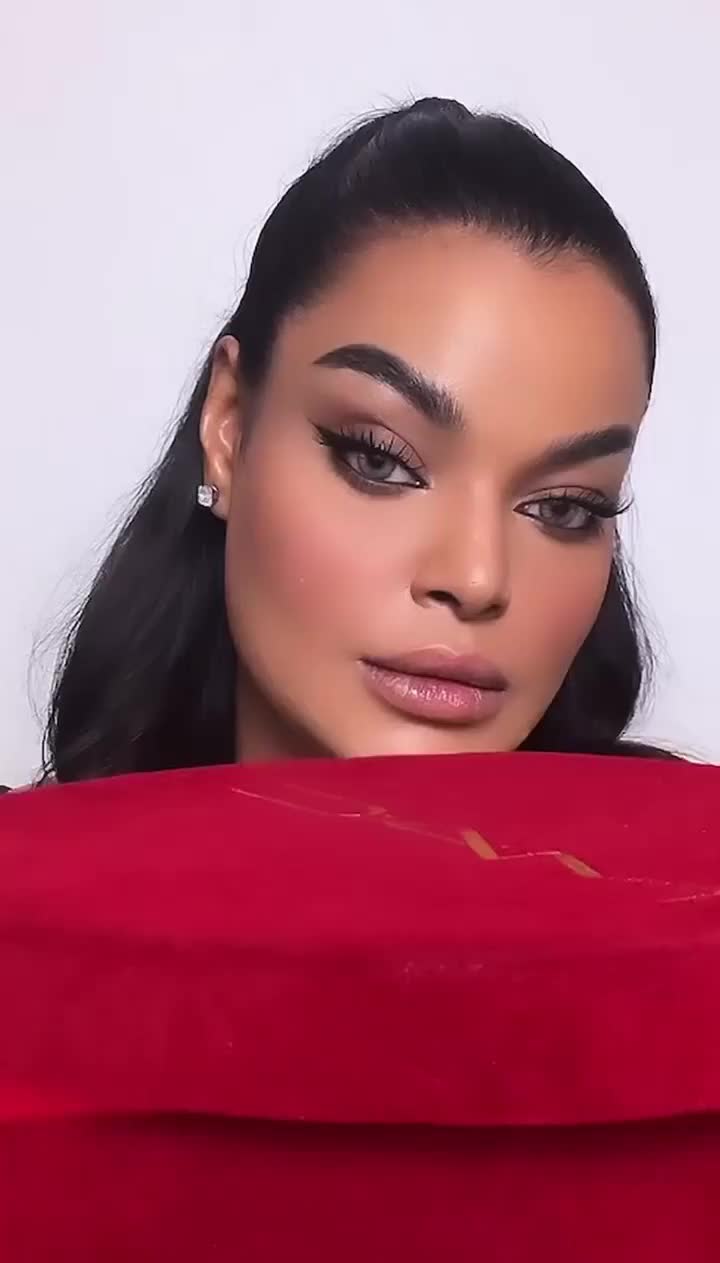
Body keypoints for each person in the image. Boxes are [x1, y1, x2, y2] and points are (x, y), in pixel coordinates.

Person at [41, 96, 675, 784]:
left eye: (564, 507)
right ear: (229, 427)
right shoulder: (28, 850)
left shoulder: (695, 843)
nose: (476, 579)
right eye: (380, 460)